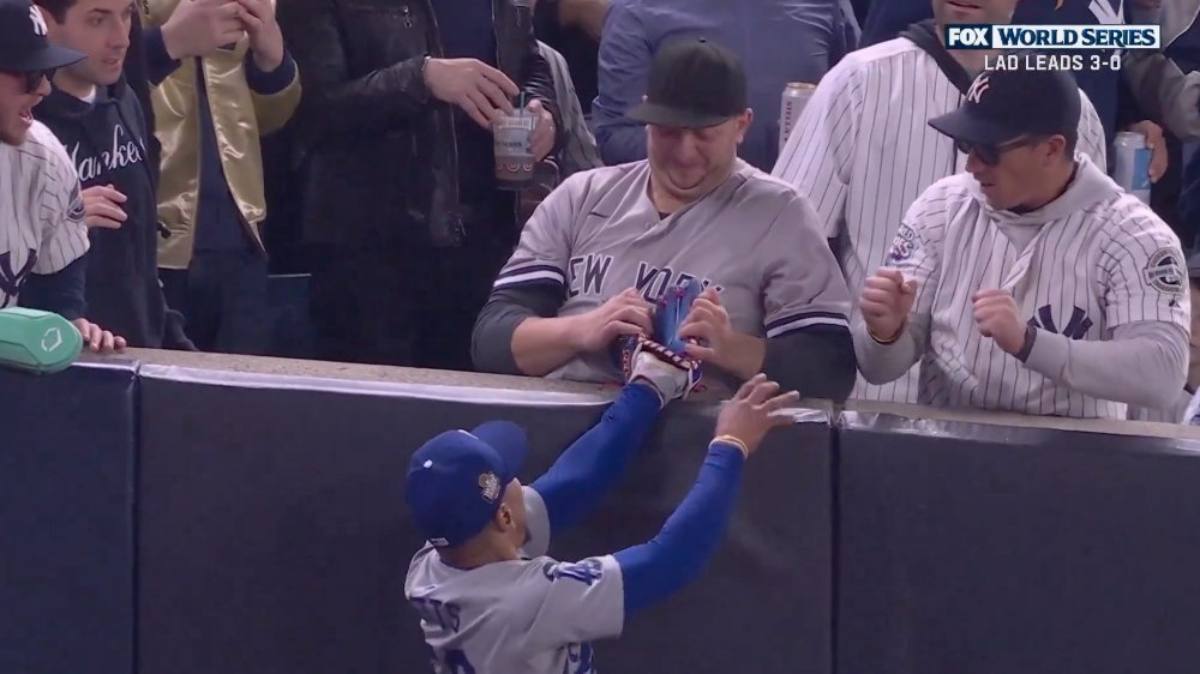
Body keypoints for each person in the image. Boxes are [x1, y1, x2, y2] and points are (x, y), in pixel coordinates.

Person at [473, 38, 857, 400]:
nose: (685, 153)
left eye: (704, 134)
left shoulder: (780, 214)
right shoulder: (583, 195)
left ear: (742, 125)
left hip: (695, 437)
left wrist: (732, 349)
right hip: (565, 422)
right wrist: (582, 329)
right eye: (669, 132)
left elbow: (831, 369)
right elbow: (490, 341)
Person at [772, 0, 1107, 403]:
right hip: (870, 399)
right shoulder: (859, 81)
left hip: (1018, 413)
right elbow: (786, 247)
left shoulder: (1072, 113)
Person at [854, 65, 1189, 419]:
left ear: (1050, 149)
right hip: (948, 453)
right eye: (967, 144)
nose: (972, 165)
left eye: (988, 150)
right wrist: (885, 335)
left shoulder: (1132, 234)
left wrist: (1031, 344)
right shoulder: (941, 206)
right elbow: (879, 370)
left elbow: (1163, 374)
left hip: (1078, 460)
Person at [405, 372, 799, 673]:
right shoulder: (525, 603)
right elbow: (673, 558)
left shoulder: (436, 560)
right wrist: (730, 445)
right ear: (504, 518)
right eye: (512, 479)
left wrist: (646, 389)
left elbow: (570, 486)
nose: (522, 482)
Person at [278, 0, 561, 370]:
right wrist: (421, 79)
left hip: (486, 243)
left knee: (470, 411)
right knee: (376, 416)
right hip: (371, 251)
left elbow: (528, 60)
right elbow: (311, 109)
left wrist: (544, 112)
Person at [139, 0, 301, 355]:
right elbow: (78, 89)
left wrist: (272, 62)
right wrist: (165, 44)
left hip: (241, 233)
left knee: (242, 401)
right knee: (161, 400)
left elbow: (267, 120)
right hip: (150, 240)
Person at [32, 0, 193, 349]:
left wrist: (170, 339)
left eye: (126, 15)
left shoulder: (126, 102)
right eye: (98, 20)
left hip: (143, 354)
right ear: (44, 21)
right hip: (64, 365)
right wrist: (55, 227)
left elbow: (142, 263)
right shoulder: (21, 131)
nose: (121, 38)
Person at [592, 0, 849, 171]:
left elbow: (855, 103)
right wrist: (703, 153)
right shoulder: (638, 11)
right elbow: (617, 136)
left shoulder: (824, 5)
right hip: (685, 221)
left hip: (806, 212)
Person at [0, 0, 124, 353]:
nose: (44, 90)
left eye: (46, 73)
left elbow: (58, 298)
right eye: (30, 76)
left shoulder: (44, 158)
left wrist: (72, 329)